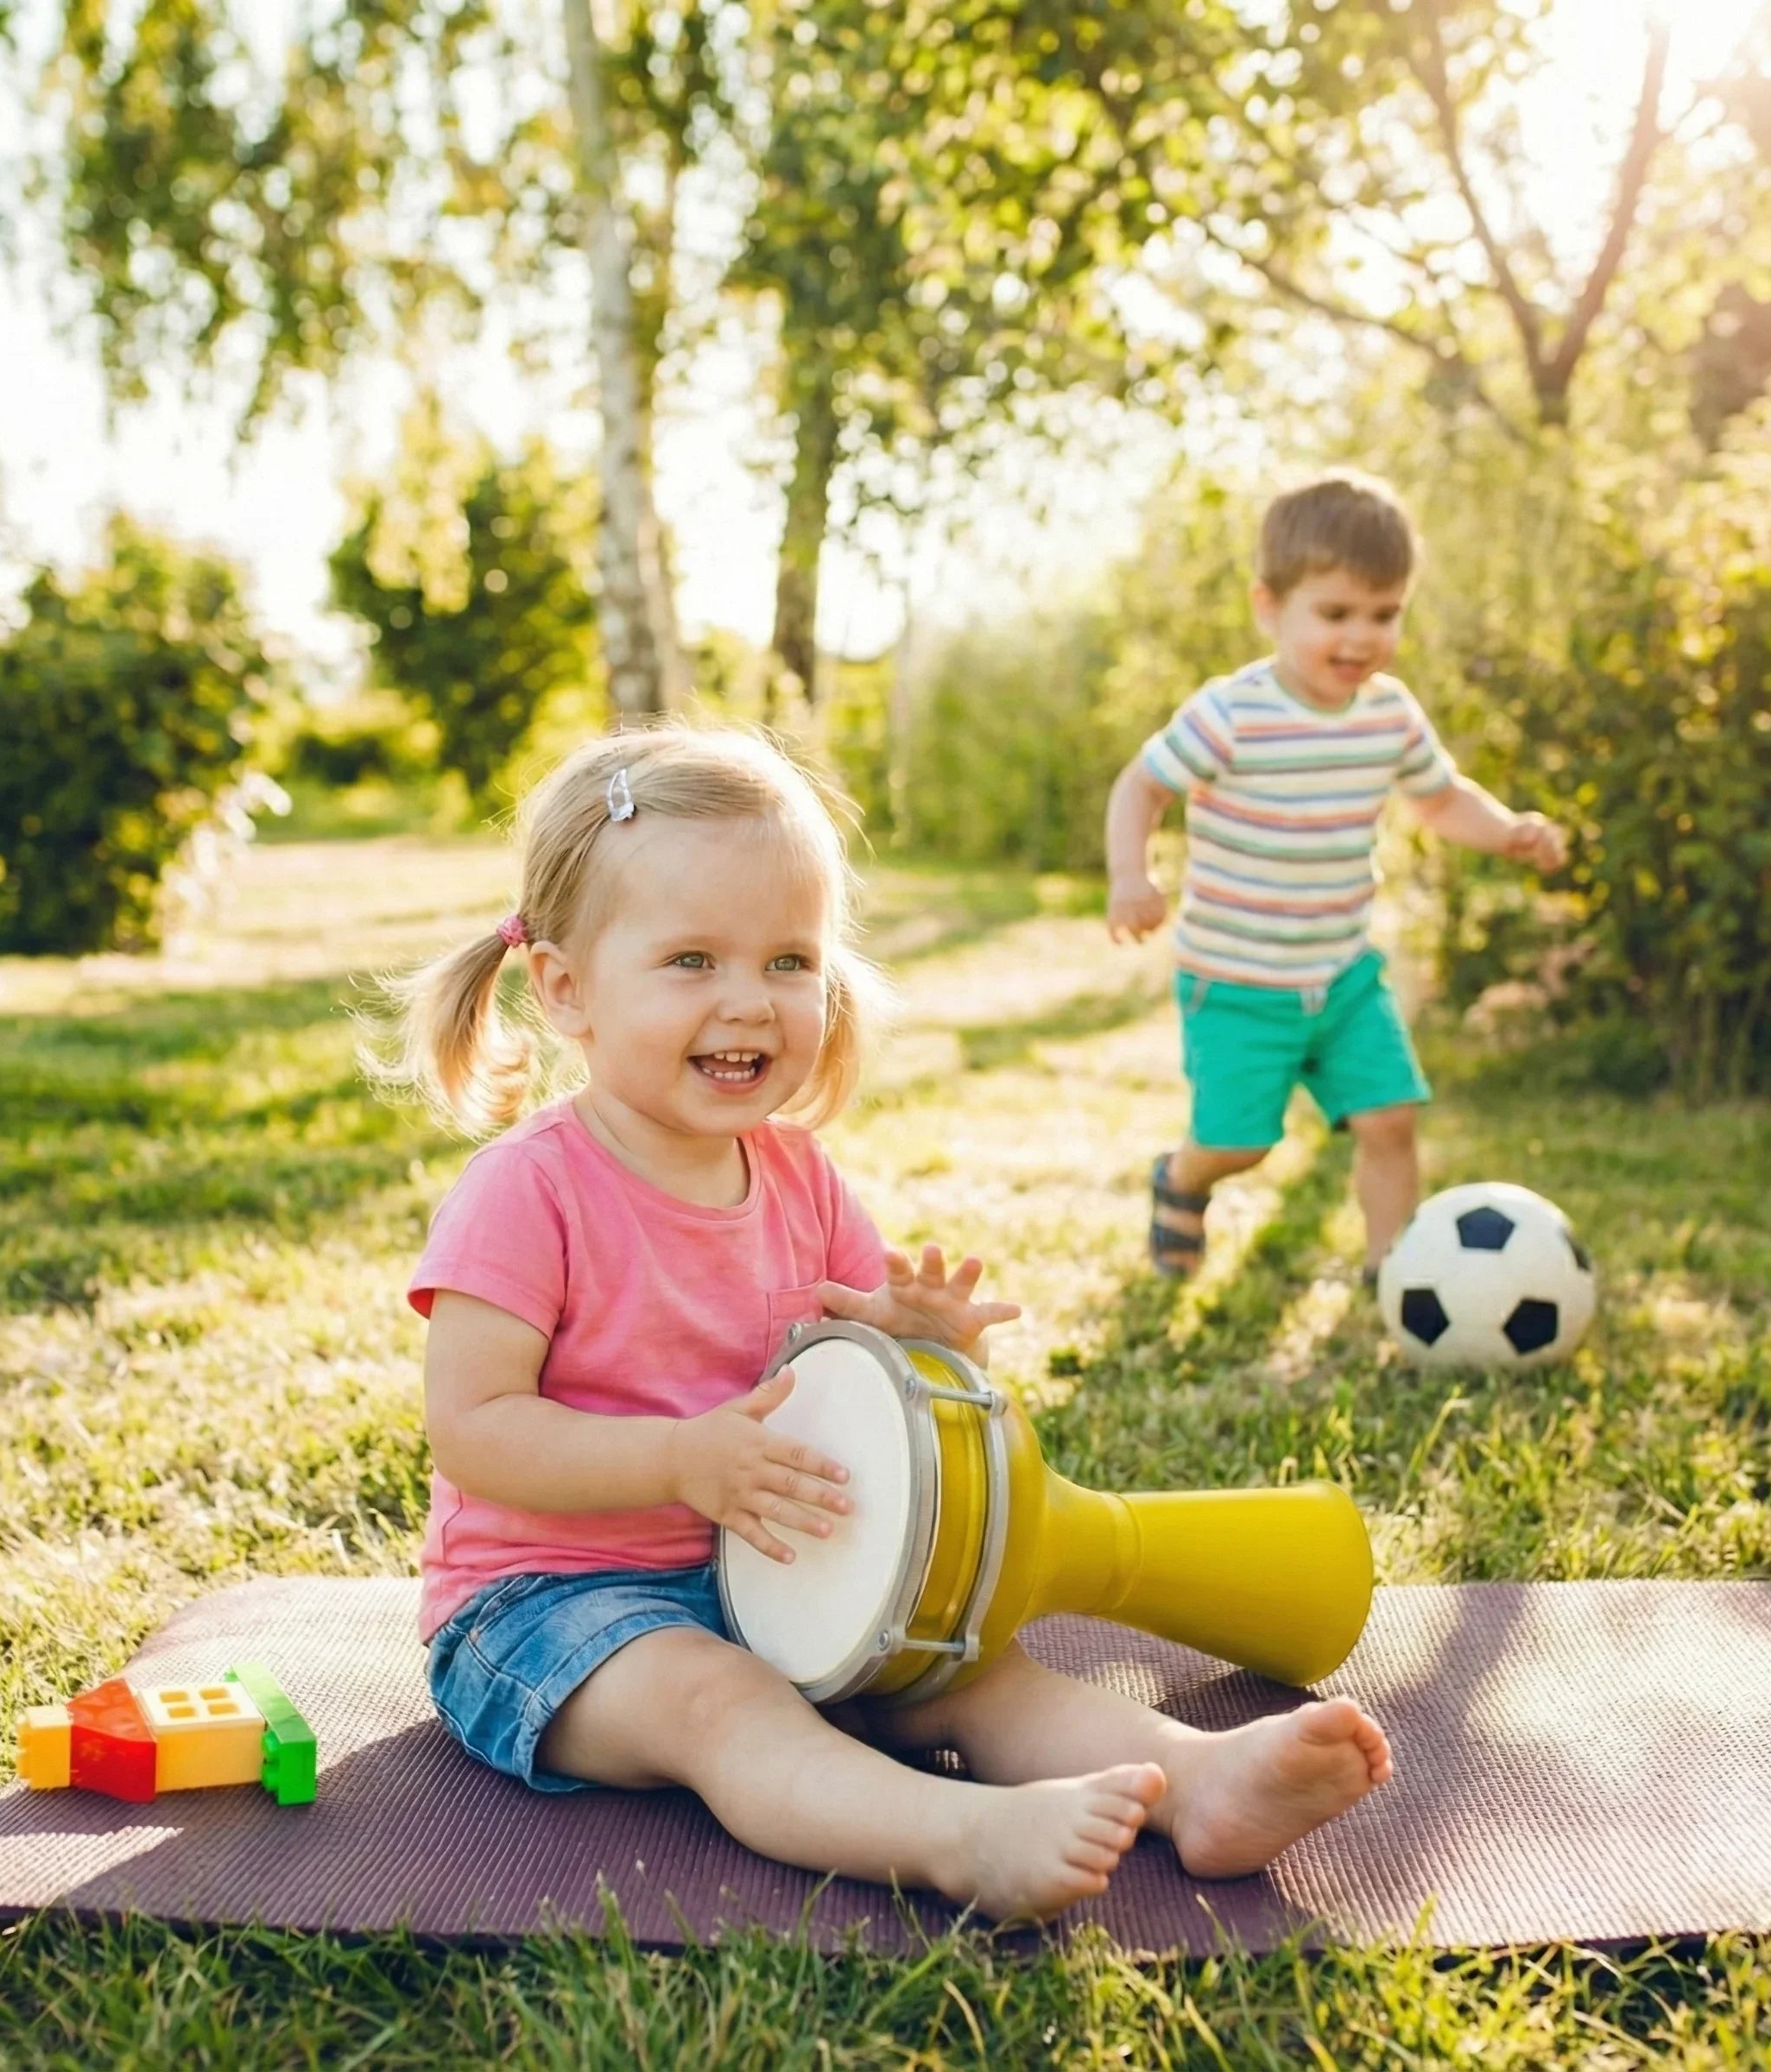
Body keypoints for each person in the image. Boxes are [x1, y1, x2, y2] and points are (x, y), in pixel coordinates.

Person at [387, 724, 1392, 1924]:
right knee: (724, 1704)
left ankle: (1200, 1783)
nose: (748, 1003)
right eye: (693, 960)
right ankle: (961, 1841)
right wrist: (678, 1460)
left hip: (777, 1577)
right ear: (566, 989)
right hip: (551, 1609)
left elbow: (877, 1397)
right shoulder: (529, 1190)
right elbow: (476, 1428)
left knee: (969, 1669)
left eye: (787, 962)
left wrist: (925, 1346)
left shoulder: (801, 1180)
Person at [1104, 471, 1569, 1285]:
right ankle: (1181, 1177)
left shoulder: (1389, 714)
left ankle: (1395, 1275)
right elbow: (1142, 785)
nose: (1361, 638)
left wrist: (1508, 832)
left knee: (1391, 1120)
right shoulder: (1233, 712)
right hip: (1238, 983)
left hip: (1345, 976)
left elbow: (1441, 798)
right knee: (1240, 1143)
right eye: (1336, 613)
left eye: (1384, 615)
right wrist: (1129, 876)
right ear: (1269, 607)